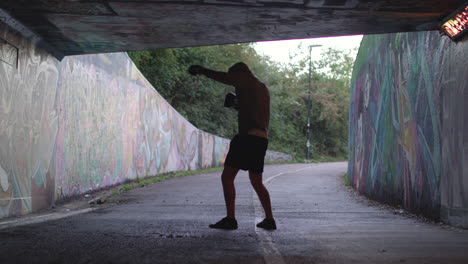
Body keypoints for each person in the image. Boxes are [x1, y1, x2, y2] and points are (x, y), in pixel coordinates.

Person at [188, 62, 276, 230]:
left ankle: (230, 218)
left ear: (240, 73)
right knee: (257, 182)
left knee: (227, 177)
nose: (233, 80)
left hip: (247, 138)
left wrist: (202, 70)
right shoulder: (261, 88)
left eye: (233, 76)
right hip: (261, 139)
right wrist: (237, 104)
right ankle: (270, 219)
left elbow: (223, 77)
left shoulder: (245, 80)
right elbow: (253, 111)